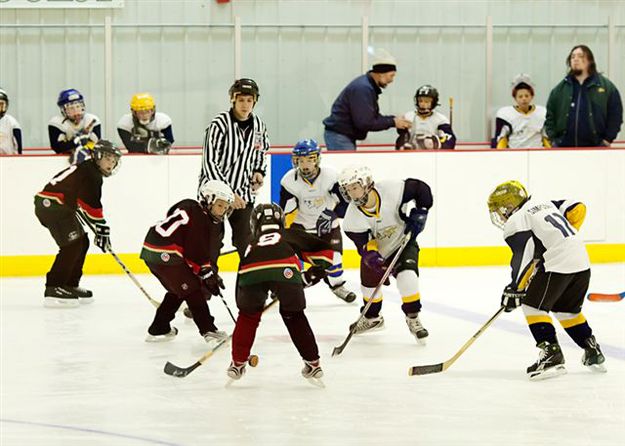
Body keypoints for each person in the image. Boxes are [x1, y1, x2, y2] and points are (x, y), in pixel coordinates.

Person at [487, 180, 607, 380]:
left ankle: (552, 355)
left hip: (557, 264)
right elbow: (577, 207)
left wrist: (515, 288)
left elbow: (523, 255)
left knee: (533, 306)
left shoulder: (517, 219)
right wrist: (562, 240)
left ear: (509, 206)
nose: (500, 215)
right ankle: (592, 350)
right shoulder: (546, 204)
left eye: (500, 210)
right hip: (581, 260)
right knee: (566, 310)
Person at [227, 203, 324, 386]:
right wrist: (313, 274)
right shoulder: (289, 234)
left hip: (251, 272)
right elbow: (326, 254)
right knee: (294, 315)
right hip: (285, 270)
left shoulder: (250, 242)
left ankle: (238, 363)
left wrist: (245, 307)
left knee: (248, 317)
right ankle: (313, 363)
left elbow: (242, 275)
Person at [338, 166, 433, 343]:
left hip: (402, 243)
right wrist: (372, 257)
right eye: (348, 190)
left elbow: (422, 189)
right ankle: (372, 318)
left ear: (366, 184)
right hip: (378, 252)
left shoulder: (392, 189)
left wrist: (421, 212)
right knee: (369, 288)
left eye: (355, 187)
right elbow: (363, 245)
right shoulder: (351, 218)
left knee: (408, 278)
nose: (352, 194)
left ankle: (413, 318)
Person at [139, 180, 234, 344]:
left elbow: (174, 219)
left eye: (226, 207)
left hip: (150, 250)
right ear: (208, 199)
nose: (223, 211)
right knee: (192, 289)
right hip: (166, 254)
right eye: (220, 205)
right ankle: (209, 331)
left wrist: (208, 273)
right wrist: (208, 274)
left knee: (179, 289)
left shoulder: (189, 206)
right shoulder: (202, 220)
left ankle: (159, 327)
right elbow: (195, 253)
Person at [34, 140, 121, 308]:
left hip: (57, 206)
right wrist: (102, 229)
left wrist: (99, 229)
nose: (111, 163)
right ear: (97, 156)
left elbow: (82, 204)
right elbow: (91, 206)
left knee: (82, 241)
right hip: (52, 206)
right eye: (108, 158)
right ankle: (54, 287)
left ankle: (69, 284)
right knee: (72, 245)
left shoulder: (88, 169)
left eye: (114, 160)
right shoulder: (92, 174)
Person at [198, 78, 269, 259]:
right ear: (233, 100)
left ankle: (247, 286)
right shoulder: (218, 124)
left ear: (255, 101)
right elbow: (209, 162)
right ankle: (208, 285)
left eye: (249, 100)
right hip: (214, 196)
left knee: (247, 245)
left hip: (244, 195)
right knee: (210, 243)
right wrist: (228, 194)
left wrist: (259, 172)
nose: (245, 105)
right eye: (241, 100)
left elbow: (260, 151)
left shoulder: (259, 126)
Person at [279, 139, 356, 303]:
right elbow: (286, 210)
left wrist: (332, 213)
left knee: (335, 260)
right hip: (302, 229)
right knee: (288, 260)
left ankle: (337, 286)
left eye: (309, 159)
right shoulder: (289, 181)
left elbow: (344, 204)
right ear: (296, 161)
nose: (305, 164)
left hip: (329, 228)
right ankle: (290, 285)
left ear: (317, 159)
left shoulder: (331, 176)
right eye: (301, 160)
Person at [322, 49, 411, 150]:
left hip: (342, 136)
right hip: (340, 137)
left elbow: (370, 117)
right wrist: (393, 122)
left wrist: (394, 119)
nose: (391, 80)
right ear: (381, 73)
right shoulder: (363, 89)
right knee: (347, 165)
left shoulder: (367, 86)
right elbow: (365, 122)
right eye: (391, 75)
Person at [545, 45, 623, 148]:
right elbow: (550, 116)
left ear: (590, 61)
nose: (576, 59)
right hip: (564, 149)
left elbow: (616, 115)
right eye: (572, 57)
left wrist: (607, 140)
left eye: (580, 56)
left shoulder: (607, 88)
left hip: (596, 148)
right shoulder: (559, 90)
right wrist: (554, 140)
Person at [492, 74, 549, 149]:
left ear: (532, 96)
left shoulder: (542, 113)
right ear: (515, 98)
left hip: (537, 153)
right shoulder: (506, 115)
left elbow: (546, 138)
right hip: (515, 155)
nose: (524, 99)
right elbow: (501, 139)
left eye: (526, 96)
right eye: (520, 96)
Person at [48, 89, 101, 163]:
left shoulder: (92, 120)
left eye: (78, 106)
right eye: (71, 108)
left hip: (88, 160)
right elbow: (57, 148)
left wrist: (84, 145)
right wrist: (77, 140)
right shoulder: (57, 123)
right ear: (63, 110)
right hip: (62, 161)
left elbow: (96, 145)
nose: (76, 112)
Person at [396, 84, 456, 150]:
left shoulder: (441, 119)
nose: (423, 104)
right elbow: (402, 137)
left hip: (433, 155)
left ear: (433, 103)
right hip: (412, 154)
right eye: (420, 101)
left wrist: (438, 145)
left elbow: (449, 139)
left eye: (427, 101)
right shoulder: (408, 116)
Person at [0, 88, 23, 155]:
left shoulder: (12, 123)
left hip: (8, 160)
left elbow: (18, 148)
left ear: (6, 105)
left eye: (1, 105)